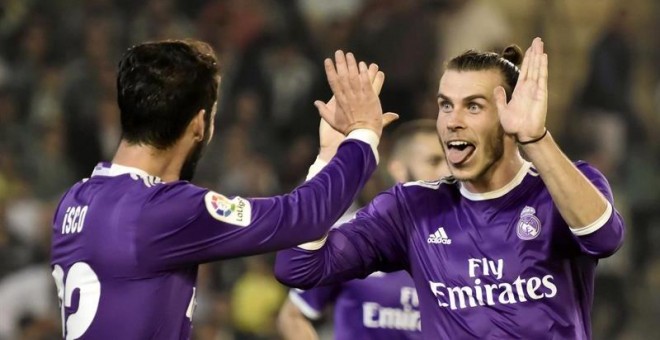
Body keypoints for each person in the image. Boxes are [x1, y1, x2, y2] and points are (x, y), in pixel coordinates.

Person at [274, 37, 625, 339]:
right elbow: (298, 268)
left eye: (473, 106)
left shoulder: (563, 186)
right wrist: (330, 164)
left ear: (510, 114)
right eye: (445, 105)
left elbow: (604, 237)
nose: (453, 121)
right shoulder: (411, 207)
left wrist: (535, 139)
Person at [50, 39, 397, 340]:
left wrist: (327, 157)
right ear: (200, 124)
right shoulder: (160, 211)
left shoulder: (74, 201)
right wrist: (363, 136)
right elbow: (299, 216)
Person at [277, 119, 448, 340]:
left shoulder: (468, 240)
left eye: (449, 161)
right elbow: (292, 316)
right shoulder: (350, 236)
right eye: (434, 161)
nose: (446, 170)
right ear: (399, 170)